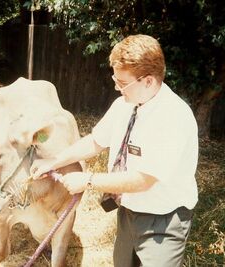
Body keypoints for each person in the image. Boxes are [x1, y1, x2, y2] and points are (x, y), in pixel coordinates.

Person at [31, 34, 198, 267]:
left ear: (148, 81)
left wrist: (87, 181)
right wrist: (54, 161)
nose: (117, 87)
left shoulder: (173, 117)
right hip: (128, 213)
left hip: (163, 221)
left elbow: (143, 180)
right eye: (115, 79)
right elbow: (95, 142)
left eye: (122, 82)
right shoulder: (124, 106)